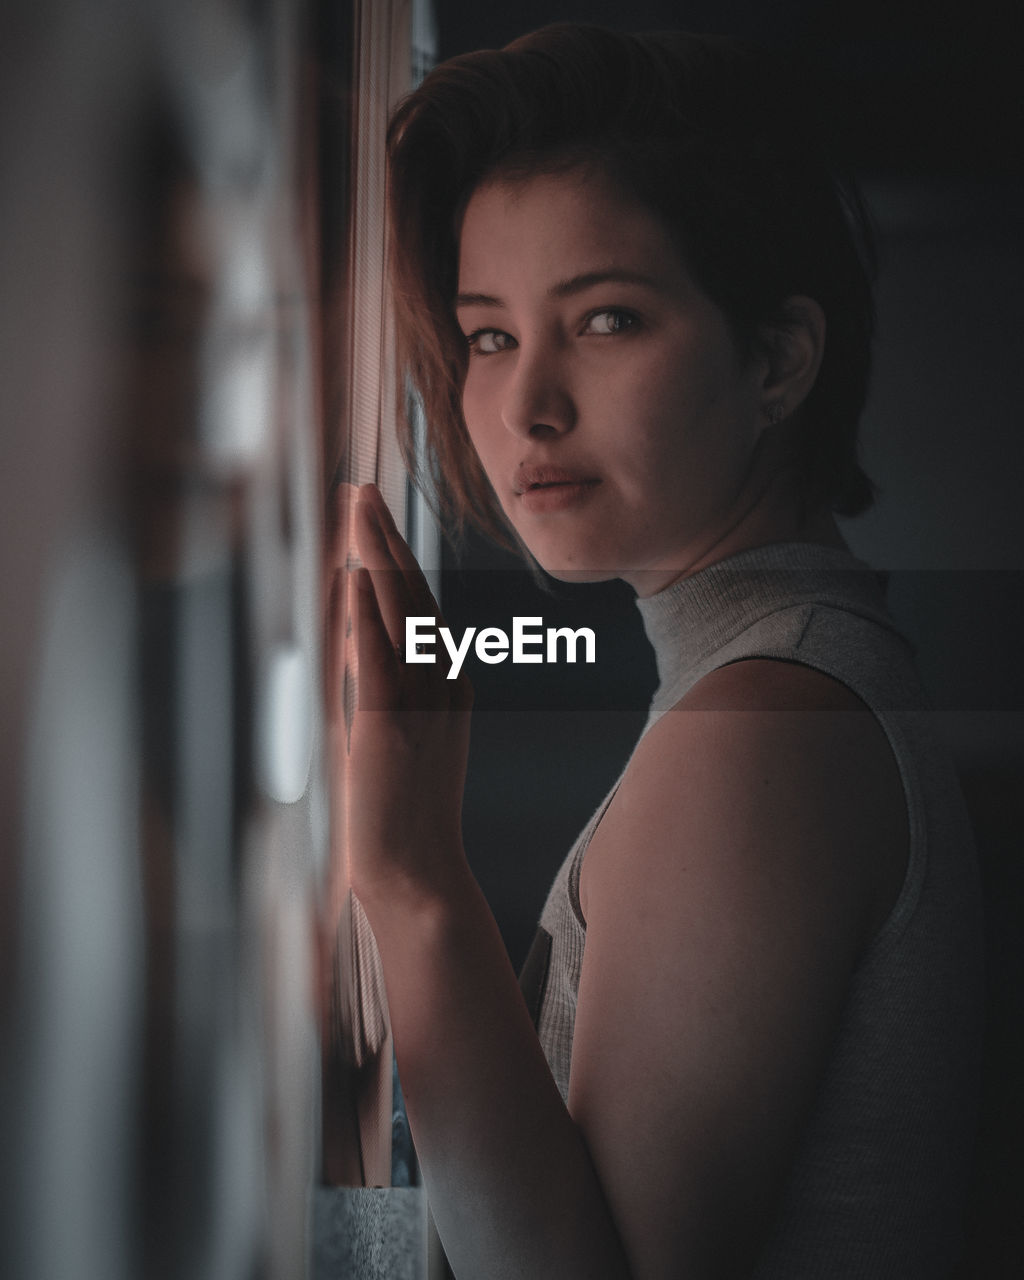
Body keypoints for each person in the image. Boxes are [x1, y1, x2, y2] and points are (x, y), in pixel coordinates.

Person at [332, 23, 984, 1278]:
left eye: (607, 319)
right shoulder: (779, 676)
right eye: (487, 335)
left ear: (779, 360)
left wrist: (414, 880)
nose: (526, 406)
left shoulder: (767, 724)